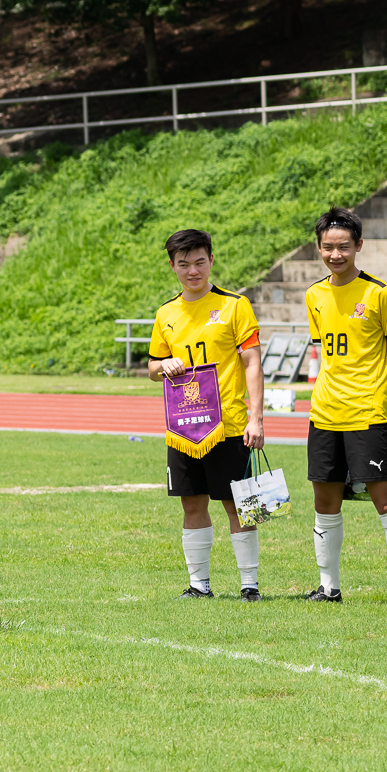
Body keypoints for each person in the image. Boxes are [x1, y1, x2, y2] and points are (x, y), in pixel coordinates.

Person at [147, 229, 266, 599]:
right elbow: (151, 365)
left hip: (228, 425)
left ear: (211, 261)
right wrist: (164, 364)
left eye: (199, 262)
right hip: (183, 427)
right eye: (183, 264)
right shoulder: (166, 312)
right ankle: (199, 585)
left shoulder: (234, 305)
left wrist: (256, 418)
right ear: (172, 266)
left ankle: (249, 585)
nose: (192, 271)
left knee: (238, 506)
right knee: (191, 503)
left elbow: (252, 361)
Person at [299, 207, 387, 606]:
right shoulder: (314, 294)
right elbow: (322, 352)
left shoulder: (380, 293)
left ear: (358, 246)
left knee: (386, 501)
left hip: (367, 414)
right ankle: (328, 587)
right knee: (324, 502)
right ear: (319, 248)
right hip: (324, 415)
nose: (336, 254)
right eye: (328, 247)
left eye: (344, 246)